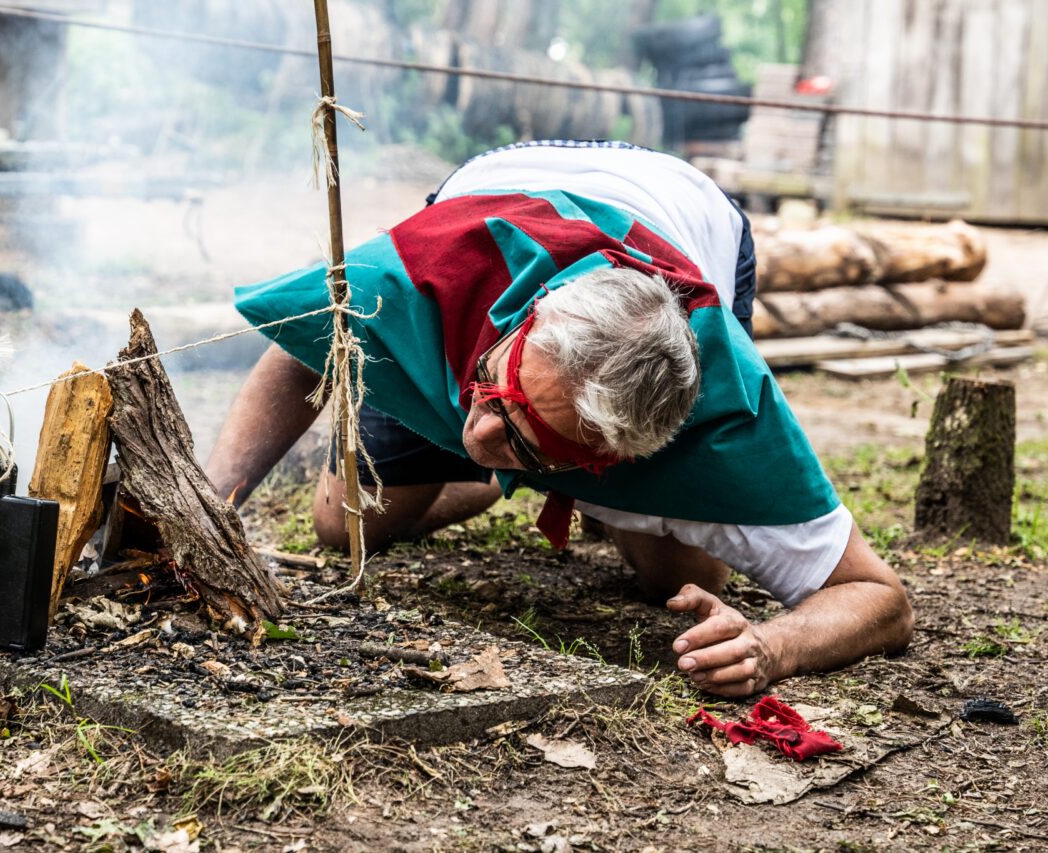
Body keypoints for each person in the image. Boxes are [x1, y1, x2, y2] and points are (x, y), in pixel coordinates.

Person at [206, 140, 913, 697]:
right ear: (524, 321)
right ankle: (509, 458)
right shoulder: (426, 274)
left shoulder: (732, 424)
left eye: (522, 440)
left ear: (614, 455)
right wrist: (209, 505)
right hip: (504, 185)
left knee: (676, 582)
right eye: (495, 389)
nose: (476, 433)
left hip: (692, 210)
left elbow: (881, 598)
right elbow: (305, 336)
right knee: (346, 524)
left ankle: (587, 483)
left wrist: (772, 645)